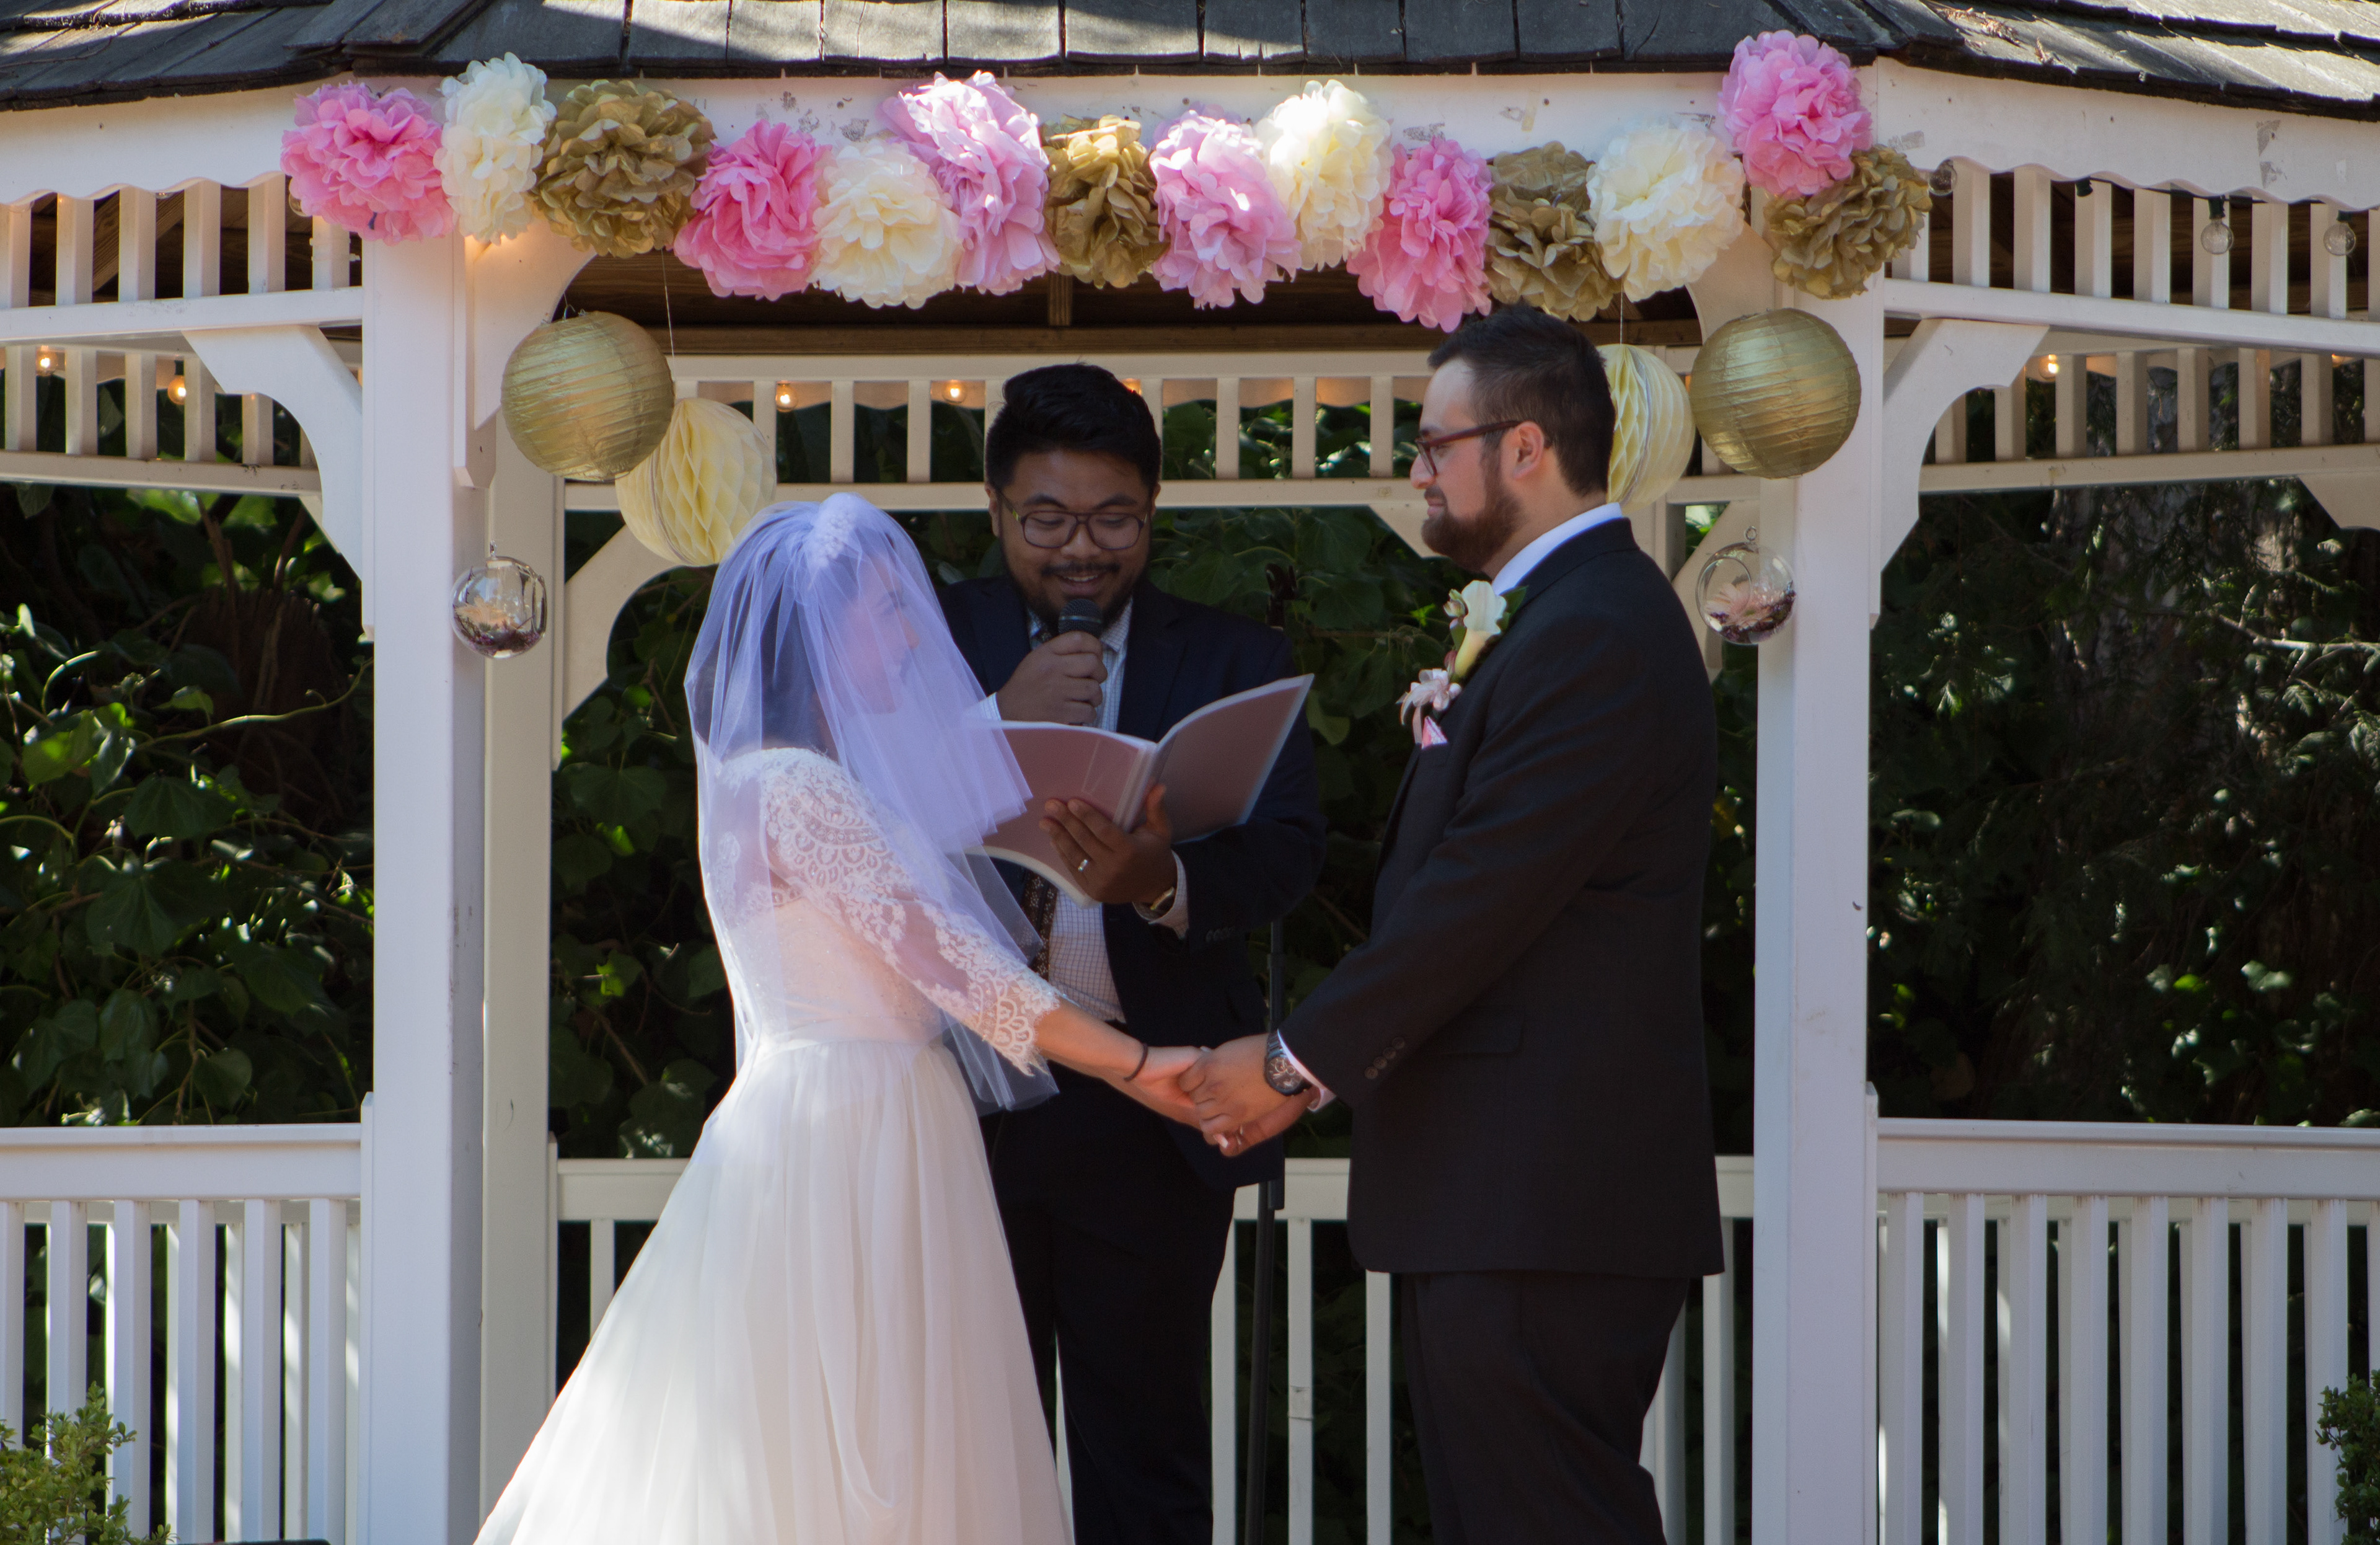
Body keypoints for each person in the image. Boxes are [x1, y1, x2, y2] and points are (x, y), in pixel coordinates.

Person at [477, 495, 1202, 1545]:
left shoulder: (776, 781)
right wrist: (1142, 1065)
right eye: (888, 610)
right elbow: (970, 975)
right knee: (855, 1429)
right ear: (823, 626)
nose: (913, 634)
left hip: (854, 1115)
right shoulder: (799, 790)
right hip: (853, 1132)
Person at [1183, 307, 1725, 1544]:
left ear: (1525, 446)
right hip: (1508, 1191)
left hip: (1544, 1196)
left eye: (1437, 443)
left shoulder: (1596, 631)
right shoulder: (1558, 615)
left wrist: (1292, 1065)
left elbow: (1478, 900)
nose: (1418, 469)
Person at [938, 364, 1326, 1545]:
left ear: (1153, 511)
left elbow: (1289, 855)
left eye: (1114, 519)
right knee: (964, 1454)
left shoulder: (1234, 659)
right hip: (963, 1103)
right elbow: (858, 833)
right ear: (997, 509)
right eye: (1047, 519)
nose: (1081, 550)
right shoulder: (926, 641)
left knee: (1144, 1462)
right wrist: (997, 718)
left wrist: (1156, 882)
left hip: (1152, 1106)